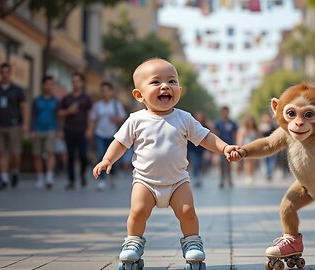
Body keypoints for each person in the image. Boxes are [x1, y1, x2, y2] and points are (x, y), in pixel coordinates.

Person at [92, 58, 238, 269]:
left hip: (178, 181)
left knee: (187, 211)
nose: (165, 86)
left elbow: (206, 137)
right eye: (155, 82)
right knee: (138, 211)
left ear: (179, 88)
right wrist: (107, 159)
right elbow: (120, 143)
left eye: (171, 81)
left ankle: (192, 243)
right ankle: (133, 242)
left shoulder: (184, 118)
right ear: (138, 94)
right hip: (145, 181)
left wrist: (224, 147)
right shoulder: (135, 119)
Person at [0, 63, 28, 190]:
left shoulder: (17, 89)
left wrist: (25, 124)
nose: (5, 74)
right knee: (1, 152)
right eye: (2, 72)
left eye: (7, 72)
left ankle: (15, 171)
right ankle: (4, 179)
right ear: (0, 73)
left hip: (14, 124)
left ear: (10, 73)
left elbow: (23, 107)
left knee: (15, 153)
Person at [87, 81, 126, 191]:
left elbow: (123, 118)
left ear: (111, 91)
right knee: (101, 155)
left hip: (113, 135)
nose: (105, 93)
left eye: (107, 90)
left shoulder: (116, 104)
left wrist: (116, 119)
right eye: (103, 91)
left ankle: (112, 175)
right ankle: (102, 180)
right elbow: (92, 119)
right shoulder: (97, 105)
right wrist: (90, 130)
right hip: (100, 134)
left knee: (113, 157)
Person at [58, 72, 93, 190]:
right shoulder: (66, 98)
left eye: (77, 81)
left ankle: (83, 174)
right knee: (71, 156)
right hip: (69, 129)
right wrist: (68, 111)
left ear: (82, 83)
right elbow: (59, 113)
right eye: (73, 81)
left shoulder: (86, 98)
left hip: (83, 130)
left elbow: (89, 115)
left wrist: (89, 129)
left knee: (83, 155)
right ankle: (71, 180)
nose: (75, 83)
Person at [30, 75, 58, 190]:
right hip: (37, 129)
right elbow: (33, 116)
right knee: (37, 154)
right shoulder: (37, 100)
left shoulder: (56, 100)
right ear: (43, 85)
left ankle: (49, 177)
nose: (49, 86)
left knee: (50, 152)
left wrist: (59, 130)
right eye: (47, 84)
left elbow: (58, 116)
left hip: (51, 129)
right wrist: (31, 130)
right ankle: (40, 177)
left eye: (51, 84)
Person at [214, 106, 238, 188]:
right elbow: (215, 134)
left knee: (229, 164)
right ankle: (221, 180)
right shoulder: (218, 123)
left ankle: (229, 179)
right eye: (224, 112)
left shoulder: (233, 123)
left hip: (230, 146)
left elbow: (235, 134)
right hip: (221, 147)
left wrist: (236, 145)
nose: (225, 113)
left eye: (226, 112)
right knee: (221, 164)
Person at [187, 111, 210, 188]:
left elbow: (208, 140)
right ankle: (196, 178)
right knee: (195, 163)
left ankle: (199, 177)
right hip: (193, 150)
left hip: (202, 150)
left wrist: (207, 151)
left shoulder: (205, 127)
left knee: (200, 164)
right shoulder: (191, 126)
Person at [237, 115, 260, 185]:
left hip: (254, 147)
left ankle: (252, 175)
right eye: (250, 121)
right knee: (247, 163)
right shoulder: (243, 129)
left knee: (253, 162)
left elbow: (259, 138)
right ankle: (248, 176)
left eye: (252, 121)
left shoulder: (256, 130)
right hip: (245, 147)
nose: (251, 123)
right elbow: (240, 139)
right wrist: (239, 148)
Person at [258, 112, 277, 181]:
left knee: (271, 160)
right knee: (265, 160)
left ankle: (270, 173)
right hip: (264, 146)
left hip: (271, 145)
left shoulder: (273, 126)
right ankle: (267, 173)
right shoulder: (261, 126)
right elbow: (259, 136)